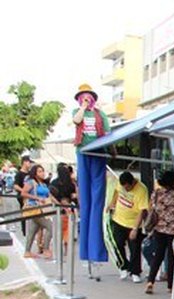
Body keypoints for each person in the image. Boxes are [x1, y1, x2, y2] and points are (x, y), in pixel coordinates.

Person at [72, 83, 111, 265]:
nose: (86, 99)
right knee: (85, 201)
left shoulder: (100, 114)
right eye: (83, 96)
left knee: (97, 202)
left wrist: (113, 152)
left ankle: (96, 252)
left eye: (88, 96)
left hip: (98, 152)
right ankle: (85, 253)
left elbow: (107, 133)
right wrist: (83, 107)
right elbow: (77, 121)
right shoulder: (78, 111)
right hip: (83, 152)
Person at [145, 171, 174, 294]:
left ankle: (150, 282)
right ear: (173, 182)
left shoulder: (156, 194)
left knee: (158, 255)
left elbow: (151, 209)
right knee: (171, 258)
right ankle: (170, 285)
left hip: (159, 229)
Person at [107, 171, 149, 282]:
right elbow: (116, 191)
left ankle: (135, 271)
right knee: (117, 244)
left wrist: (135, 228)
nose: (125, 190)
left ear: (132, 183)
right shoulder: (120, 184)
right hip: (118, 220)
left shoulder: (142, 190)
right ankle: (123, 266)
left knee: (134, 248)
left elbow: (142, 211)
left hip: (133, 223)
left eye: (128, 188)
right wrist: (112, 203)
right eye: (124, 187)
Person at [20, 164, 53, 259]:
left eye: (43, 171)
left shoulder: (43, 183)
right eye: (39, 171)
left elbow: (49, 195)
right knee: (51, 227)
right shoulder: (31, 182)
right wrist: (37, 198)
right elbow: (23, 193)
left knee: (33, 230)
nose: (42, 173)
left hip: (43, 208)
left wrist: (60, 205)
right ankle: (46, 248)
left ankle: (27, 251)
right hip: (35, 208)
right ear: (35, 173)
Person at [49, 163, 78, 256]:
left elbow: (50, 195)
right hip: (70, 209)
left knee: (59, 231)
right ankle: (67, 251)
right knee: (68, 231)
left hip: (58, 210)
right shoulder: (71, 184)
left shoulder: (54, 183)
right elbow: (75, 195)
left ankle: (58, 252)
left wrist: (58, 204)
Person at [13, 155, 32, 235]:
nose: (30, 164)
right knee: (25, 212)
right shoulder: (19, 174)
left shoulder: (30, 173)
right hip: (23, 197)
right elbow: (16, 185)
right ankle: (25, 230)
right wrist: (23, 190)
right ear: (24, 162)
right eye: (29, 162)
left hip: (30, 196)